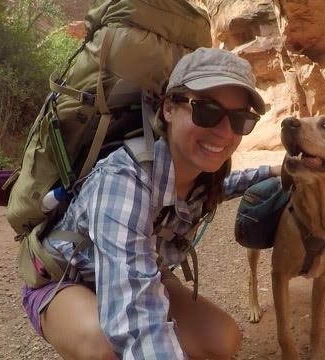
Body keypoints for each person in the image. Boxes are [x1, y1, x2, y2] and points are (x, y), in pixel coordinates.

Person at [22, 47, 280, 360]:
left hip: (135, 267)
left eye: (240, 120)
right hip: (67, 278)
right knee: (107, 345)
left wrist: (274, 171)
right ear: (169, 108)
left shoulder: (200, 177)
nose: (224, 132)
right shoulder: (123, 179)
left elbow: (226, 186)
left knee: (223, 340)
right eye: (206, 111)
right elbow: (138, 319)